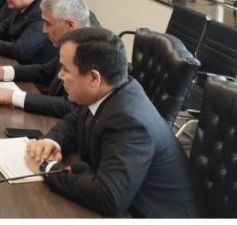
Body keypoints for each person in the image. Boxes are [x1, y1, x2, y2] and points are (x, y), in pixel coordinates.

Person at [23, 27, 200, 218]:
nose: (60, 75)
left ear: (94, 78)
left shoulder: (129, 122)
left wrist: (46, 169)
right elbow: (75, 120)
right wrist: (53, 141)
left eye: (66, 69)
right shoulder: (113, 88)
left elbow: (109, 196)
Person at [0, 0, 91, 118]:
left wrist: (13, 96)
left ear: (70, 25)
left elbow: (71, 107)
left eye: (48, 24)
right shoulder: (72, 41)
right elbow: (46, 71)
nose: (44, 30)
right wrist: (3, 72)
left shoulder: (92, 53)